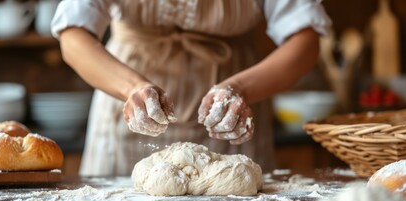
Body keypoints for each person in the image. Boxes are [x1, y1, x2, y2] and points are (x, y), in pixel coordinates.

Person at [51, 0, 332, 176]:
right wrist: (132, 87)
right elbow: (73, 35)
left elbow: (304, 40)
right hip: (127, 102)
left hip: (232, 110)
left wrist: (239, 88)